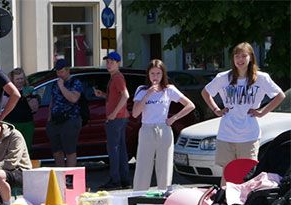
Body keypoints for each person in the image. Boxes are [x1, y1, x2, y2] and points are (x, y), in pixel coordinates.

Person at [202, 42, 285, 182]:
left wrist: (262, 112)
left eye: (243, 56)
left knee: (246, 173)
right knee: (228, 173)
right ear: (233, 59)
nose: (240, 60)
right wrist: (216, 110)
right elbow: (205, 92)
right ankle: (226, 201)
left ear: (250, 57)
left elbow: (280, 95)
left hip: (249, 135)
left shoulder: (261, 78)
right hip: (226, 134)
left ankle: (244, 203)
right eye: (237, 56)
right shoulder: (223, 77)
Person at [131, 60, 196, 191]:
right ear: (148, 75)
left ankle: (163, 197)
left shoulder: (169, 90)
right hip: (147, 129)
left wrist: (173, 118)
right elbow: (135, 113)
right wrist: (148, 94)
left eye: (158, 73)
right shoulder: (142, 90)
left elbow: (190, 105)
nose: (155, 77)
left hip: (163, 129)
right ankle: (138, 198)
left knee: (164, 167)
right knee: (143, 165)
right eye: (152, 73)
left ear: (163, 74)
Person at [94, 51, 131, 190]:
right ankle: (124, 180)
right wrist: (103, 95)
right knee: (121, 150)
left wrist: (114, 113)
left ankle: (115, 180)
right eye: (107, 62)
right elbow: (116, 97)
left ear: (118, 63)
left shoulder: (117, 78)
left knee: (113, 150)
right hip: (120, 119)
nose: (108, 64)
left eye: (112, 62)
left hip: (116, 120)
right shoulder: (115, 77)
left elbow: (125, 96)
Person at [46, 59, 83, 168]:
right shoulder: (55, 84)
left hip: (70, 120)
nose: (59, 74)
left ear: (67, 70)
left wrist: (62, 86)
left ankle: (70, 176)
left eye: (61, 72)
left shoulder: (75, 82)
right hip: (55, 121)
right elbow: (52, 101)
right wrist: (49, 118)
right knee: (57, 151)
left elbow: (73, 98)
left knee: (70, 150)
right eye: (57, 72)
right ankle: (60, 175)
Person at [0, 68, 39, 156]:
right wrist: (13, 94)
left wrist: (28, 96)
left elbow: (35, 108)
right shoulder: (7, 91)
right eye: (17, 79)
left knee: (26, 148)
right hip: (11, 124)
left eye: (21, 78)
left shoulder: (30, 90)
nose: (20, 81)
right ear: (12, 80)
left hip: (27, 123)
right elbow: (2, 105)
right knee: (11, 148)